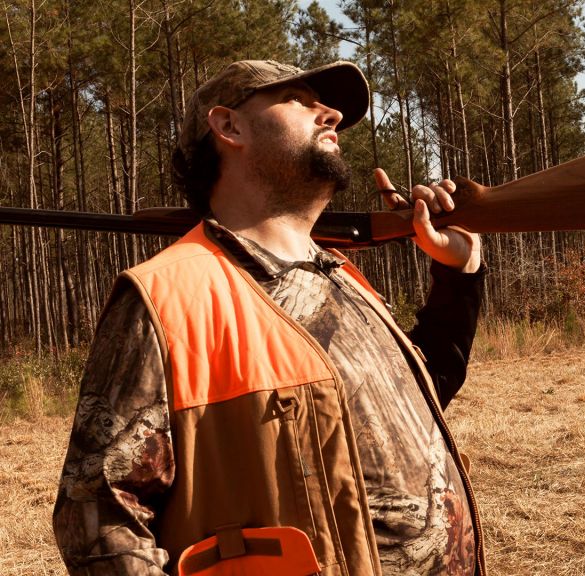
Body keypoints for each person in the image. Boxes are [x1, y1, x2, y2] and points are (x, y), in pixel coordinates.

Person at [52, 60, 485, 575]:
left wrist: (459, 272)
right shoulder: (167, 296)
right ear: (228, 126)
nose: (332, 114)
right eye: (300, 100)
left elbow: (427, 389)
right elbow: (98, 520)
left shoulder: (340, 276)